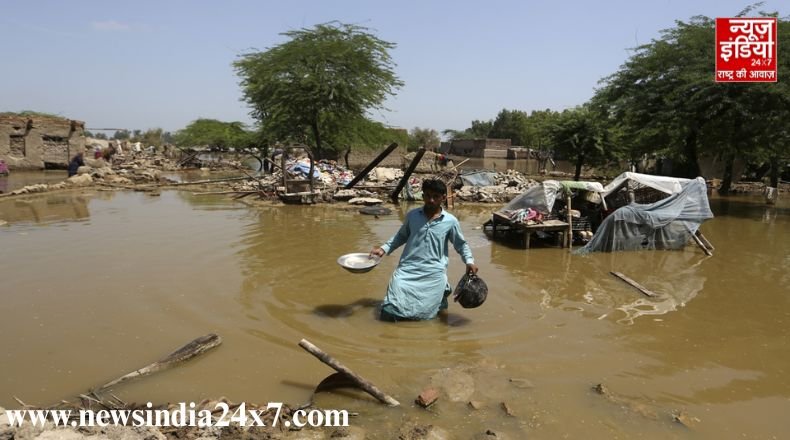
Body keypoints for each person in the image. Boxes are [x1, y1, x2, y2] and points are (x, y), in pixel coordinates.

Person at [370, 179, 478, 321]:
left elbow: (461, 244)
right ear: (422, 196)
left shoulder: (450, 221)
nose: (431, 200)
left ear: (443, 198)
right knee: (390, 308)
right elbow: (401, 236)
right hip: (407, 270)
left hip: (434, 272)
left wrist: (469, 261)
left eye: (435, 196)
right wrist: (383, 249)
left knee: (433, 313)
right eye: (427, 195)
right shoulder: (412, 216)